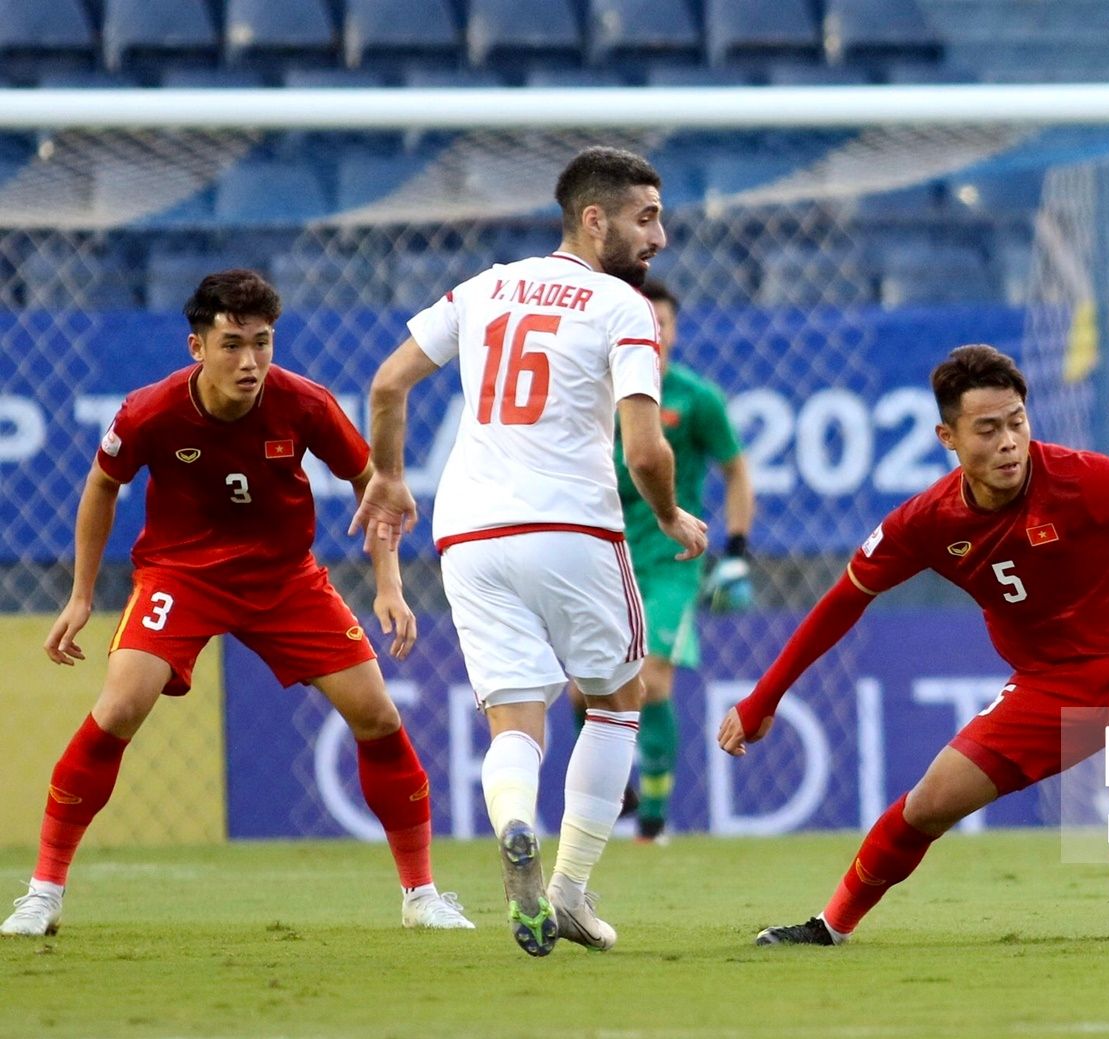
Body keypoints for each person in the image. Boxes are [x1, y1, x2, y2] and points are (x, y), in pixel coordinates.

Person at [719, 345, 1109, 945]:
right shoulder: (925, 524)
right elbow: (840, 604)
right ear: (947, 438)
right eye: (987, 429)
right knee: (930, 804)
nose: (1008, 441)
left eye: (1016, 422)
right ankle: (831, 925)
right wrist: (763, 698)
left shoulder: (1081, 477)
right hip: (1049, 681)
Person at [2, 270, 471, 937]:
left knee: (376, 714)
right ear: (197, 347)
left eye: (262, 342)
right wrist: (81, 595)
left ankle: (421, 894)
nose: (249, 361)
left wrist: (388, 583)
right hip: (180, 577)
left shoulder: (304, 403)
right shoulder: (150, 411)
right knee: (119, 707)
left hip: (285, 579)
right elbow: (101, 487)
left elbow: (378, 488)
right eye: (231, 345)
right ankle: (42, 893)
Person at [352, 146, 706, 957]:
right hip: (574, 529)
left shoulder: (483, 288)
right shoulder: (624, 308)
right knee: (618, 704)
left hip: (470, 536)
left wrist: (392, 477)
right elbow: (646, 451)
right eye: (645, 217)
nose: (660, 235)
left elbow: (386, 384)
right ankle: (570, 892)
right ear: (594, 217)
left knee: (515, 719)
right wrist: (672, 515)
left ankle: (515, 822)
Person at [566, 278, 754, 843]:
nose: (654, 331)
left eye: (662, 322)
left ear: (670, 330)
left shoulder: (696, 398)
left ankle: (652, 821)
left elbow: (737, 472)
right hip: (603, 555)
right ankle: (618, 784)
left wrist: (737, 553)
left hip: (672, 559)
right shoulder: (595, 394)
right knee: (583, 690)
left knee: (652, 678)